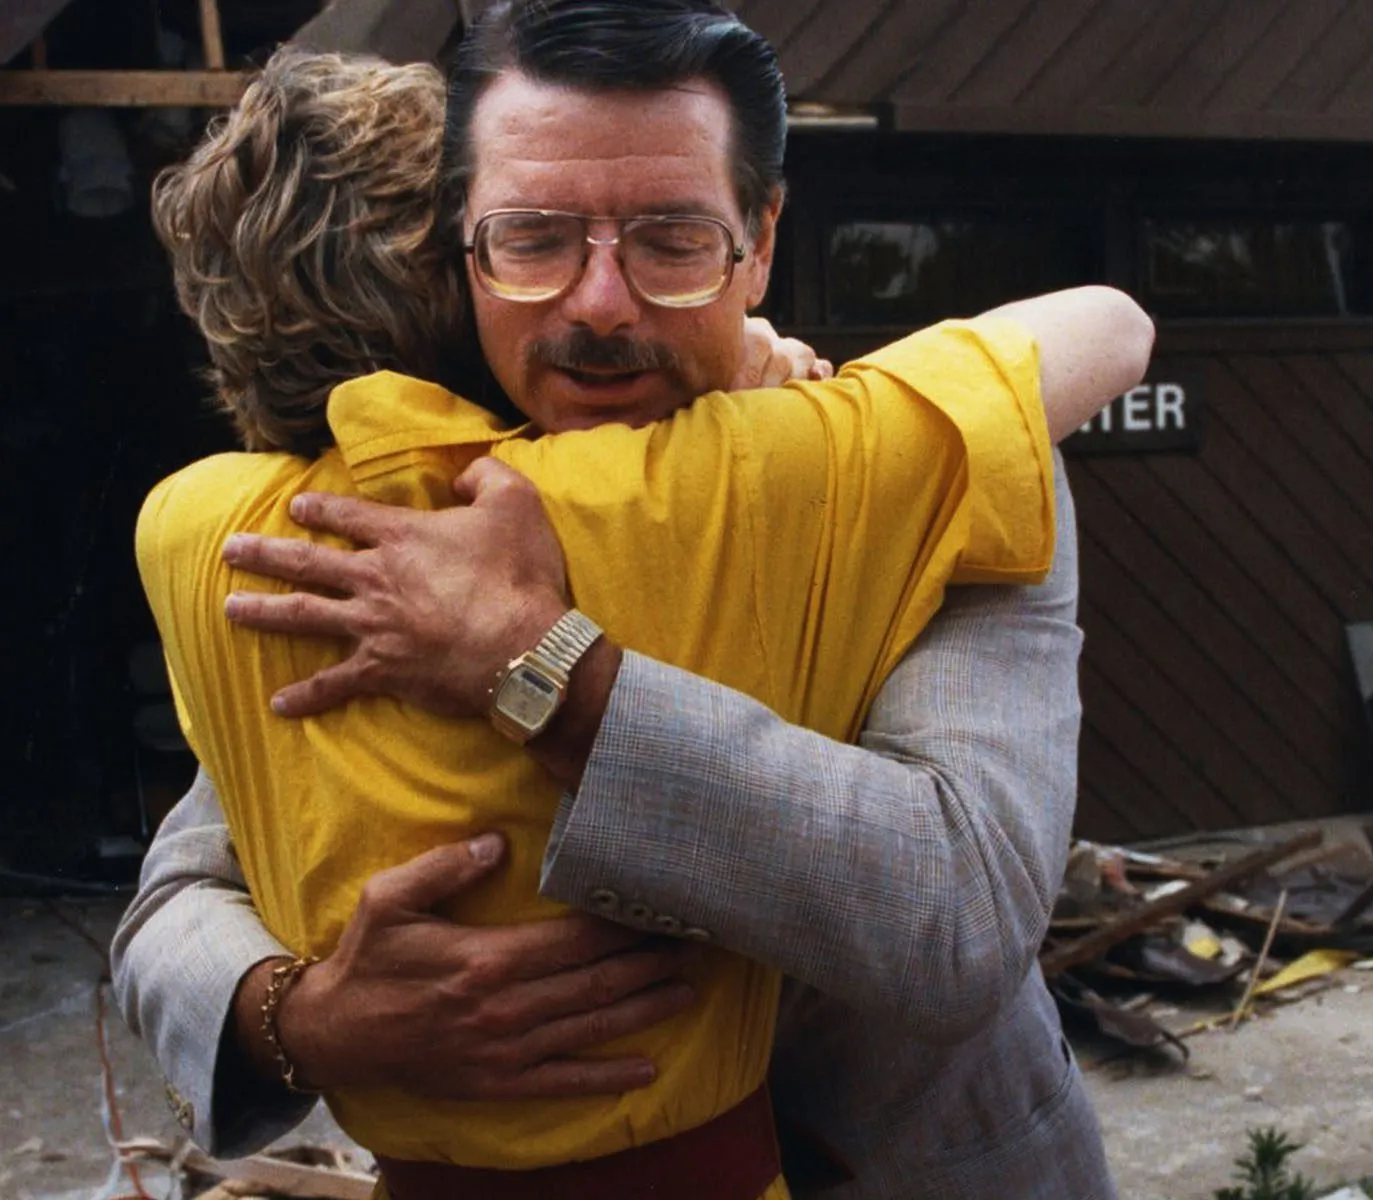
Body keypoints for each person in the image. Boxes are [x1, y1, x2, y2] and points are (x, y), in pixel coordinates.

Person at [116, 2, 1142, 1196]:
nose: (600, 308)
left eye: (672, 237)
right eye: (535, 237)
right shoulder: (389, 524)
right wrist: (306, 1018)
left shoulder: (940, 475)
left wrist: (541, 668)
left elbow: (960, 913)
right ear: (465, 253)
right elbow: (182, 891)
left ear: (758, 243)